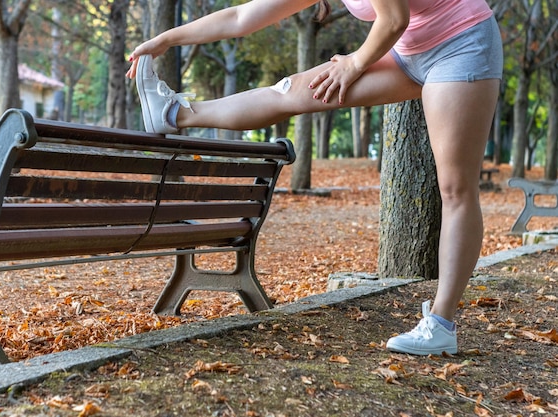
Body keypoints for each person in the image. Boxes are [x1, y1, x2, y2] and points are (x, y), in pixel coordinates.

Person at [126, 0, 503, 356]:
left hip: (461, 43)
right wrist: (165, 39)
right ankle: (175, 113)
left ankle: (441, 324)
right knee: (289, 91)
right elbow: (242, 17)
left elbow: (394, 19)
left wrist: (354, 63)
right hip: (407, 53)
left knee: (455, 188)